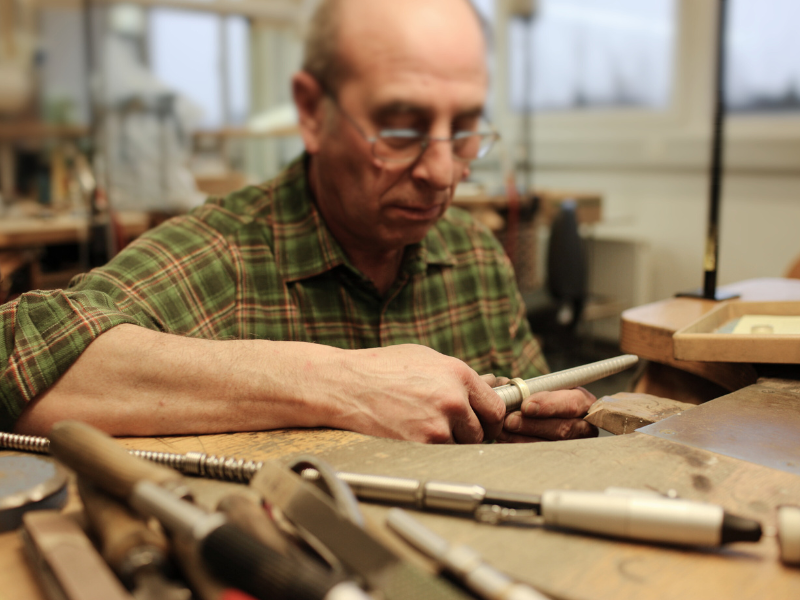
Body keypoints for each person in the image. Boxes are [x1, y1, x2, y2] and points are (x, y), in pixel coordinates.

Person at [0, 0, 596, 443]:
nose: (443, 172)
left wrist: (533, 428)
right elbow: (12, 351)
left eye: (464, 128)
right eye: (401, 129)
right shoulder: (222, 258)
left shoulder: (476, 257)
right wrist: (342, 383)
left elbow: (530, 406)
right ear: (311, 112)